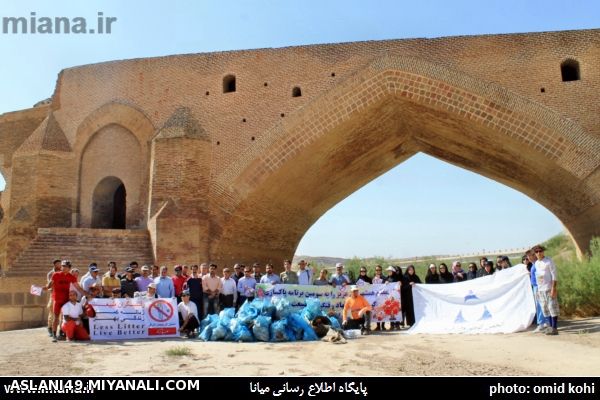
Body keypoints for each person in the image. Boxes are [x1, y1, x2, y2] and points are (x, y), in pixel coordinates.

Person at [533, 245, 559, 335]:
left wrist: (553, 288)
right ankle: (550, 327)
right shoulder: (536, 263)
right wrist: (538, 291)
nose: (539, 253)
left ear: (543, 251)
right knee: (545, 309)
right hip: (541, 289)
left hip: (549, 288)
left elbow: (554, 275)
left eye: (540, 251)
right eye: (536, 252)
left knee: (552, 308)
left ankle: (554, 328)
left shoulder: (549, 261)